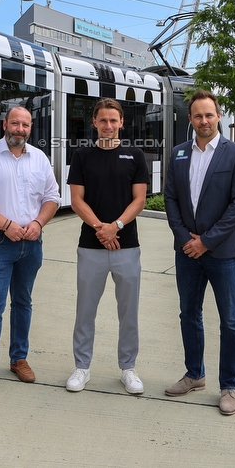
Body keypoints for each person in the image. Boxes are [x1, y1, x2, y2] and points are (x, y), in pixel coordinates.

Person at [163, 89, 235, 416]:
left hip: (223, 252)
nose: (204, 120)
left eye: (209, 115)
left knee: (230, 321)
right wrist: (186, 238)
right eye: (198, 115)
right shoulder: (179, 154)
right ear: (190, 119)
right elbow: (170, 199)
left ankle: (229, 385)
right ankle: (194, 374)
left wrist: (206, 241)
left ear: (218, 117)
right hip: (187, 251)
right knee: (189, 314)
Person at [0, 105, 60, 398]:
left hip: (31, 243)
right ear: (5, 123)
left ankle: (19, 359)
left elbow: (52, 197)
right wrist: (6, 225)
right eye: (15, 123)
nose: (20, 129)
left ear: (31, 128)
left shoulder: (39, 159)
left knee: (23, 302)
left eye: (25, 125)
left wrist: (39, 222)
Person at [65, 98, 149, 395]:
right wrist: (102, 229)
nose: (108, 126)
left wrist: (117, 226)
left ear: (121, 123)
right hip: (91, 247)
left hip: (127, 246)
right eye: (103, 120)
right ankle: (82, 367)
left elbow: (139, 200)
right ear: (94, 123)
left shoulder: (135, 155)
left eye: (114, 120)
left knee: (129, 312)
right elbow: (77, 201)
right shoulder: (82, 156)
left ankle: (128, 368)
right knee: (85, 310)